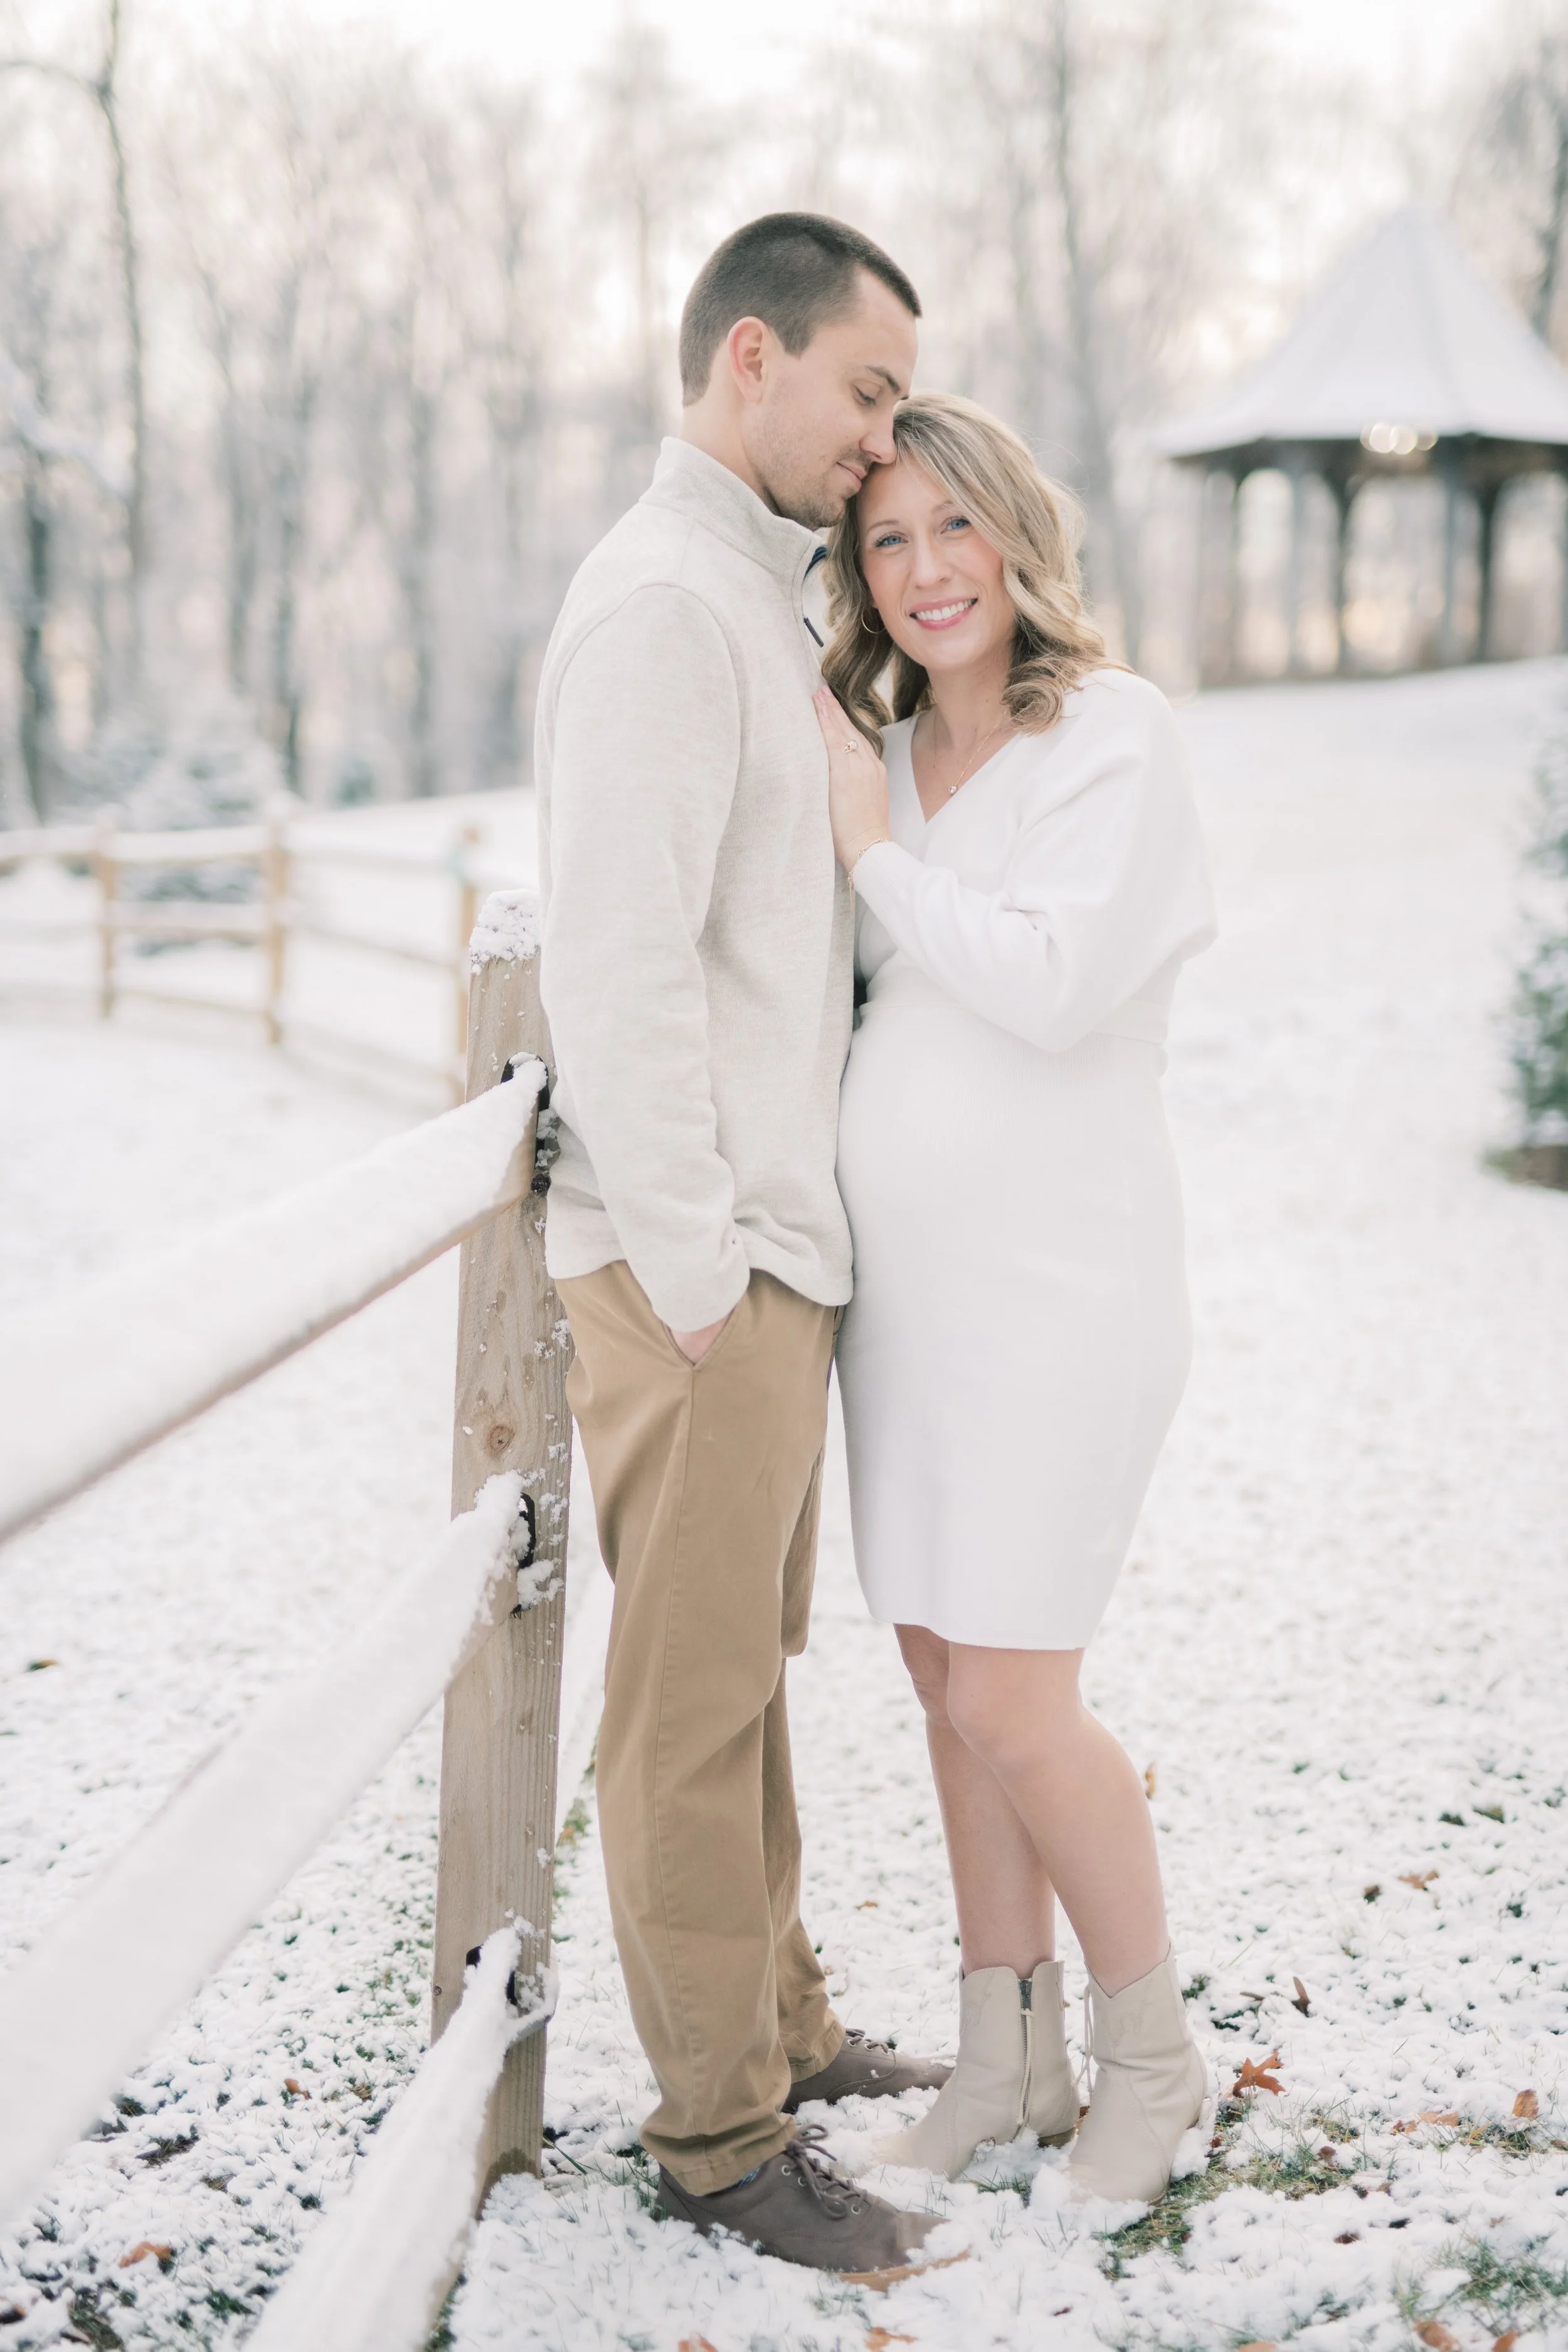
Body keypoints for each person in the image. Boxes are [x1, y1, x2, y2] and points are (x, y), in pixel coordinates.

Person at [536, 216, 953, 2280]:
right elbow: (611, 969)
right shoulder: (661, 616)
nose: (881, 448)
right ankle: (715, 2136)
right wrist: (700, 1263)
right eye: (867, 395)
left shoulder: (742, 599)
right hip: (693, 1271)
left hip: (763, 1258)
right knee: (684, 1710)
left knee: (744, 1681)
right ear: (752, 360)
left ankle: (774, 2027)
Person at [812, 391, 1217, 2206]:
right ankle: (1007, 2058)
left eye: (949, 528)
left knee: (1016, 1695)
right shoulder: (887, 756)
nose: (922, 573)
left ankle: (1150, 2062)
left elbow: (1050, 989)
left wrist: (870, 854)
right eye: (885, 540)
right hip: (910, 1310)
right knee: (936, 1675)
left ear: (1014, 535)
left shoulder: (1106, 737)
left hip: (1061, 1293)